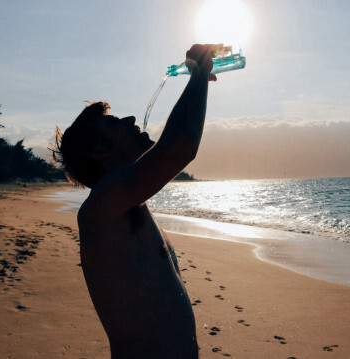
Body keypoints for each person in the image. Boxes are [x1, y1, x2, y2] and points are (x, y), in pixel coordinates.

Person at [51, 44, 221, 358]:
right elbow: (180, 146)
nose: (130, 118)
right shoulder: (102, 206)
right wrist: (197, 73)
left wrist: (198, 78)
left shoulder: (128, 203)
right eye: (114, 122)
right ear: (100, 151)